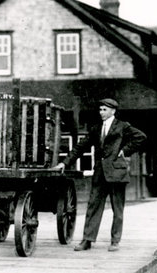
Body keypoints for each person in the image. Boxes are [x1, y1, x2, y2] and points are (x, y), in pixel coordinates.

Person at [56, 98, 146, 252]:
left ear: (113, 111)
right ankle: (87, 240)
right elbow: (80, 147)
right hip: (99, 173)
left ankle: (115, 241)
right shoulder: (96, 128)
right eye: (100, 109)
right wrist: (65, 162)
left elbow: (141, 137)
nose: (101, 112)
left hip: (117, 173)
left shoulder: (122, 126)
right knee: (93, 206)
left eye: (104, 110)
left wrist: (125, 151)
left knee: (117, 209)